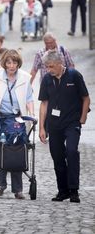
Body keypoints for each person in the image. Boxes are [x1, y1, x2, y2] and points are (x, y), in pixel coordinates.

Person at [38, 50, 90, 203]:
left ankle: (74, 190)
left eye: (51, 66)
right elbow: (44, 104)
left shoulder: (74, 76)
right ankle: (63, 191)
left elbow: (86, 98)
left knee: (72, 151)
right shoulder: (47, 79)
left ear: (60, 63)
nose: (48, 70)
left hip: (72, 122)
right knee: (58, 157)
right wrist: (42, 127)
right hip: (54, 125)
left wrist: (82, 119)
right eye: (46, 67)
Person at [0, 49, 34, 199]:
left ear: (18, 63)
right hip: (0, 118)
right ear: (4, 64)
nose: (11, 66)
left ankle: (18, 189)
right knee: (1, 148)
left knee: (18, 148)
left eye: (14, 62)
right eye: (8, 62)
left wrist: (31, 115)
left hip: (17, 118)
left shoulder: (25, 78)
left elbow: (29, 99)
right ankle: (1, 184)